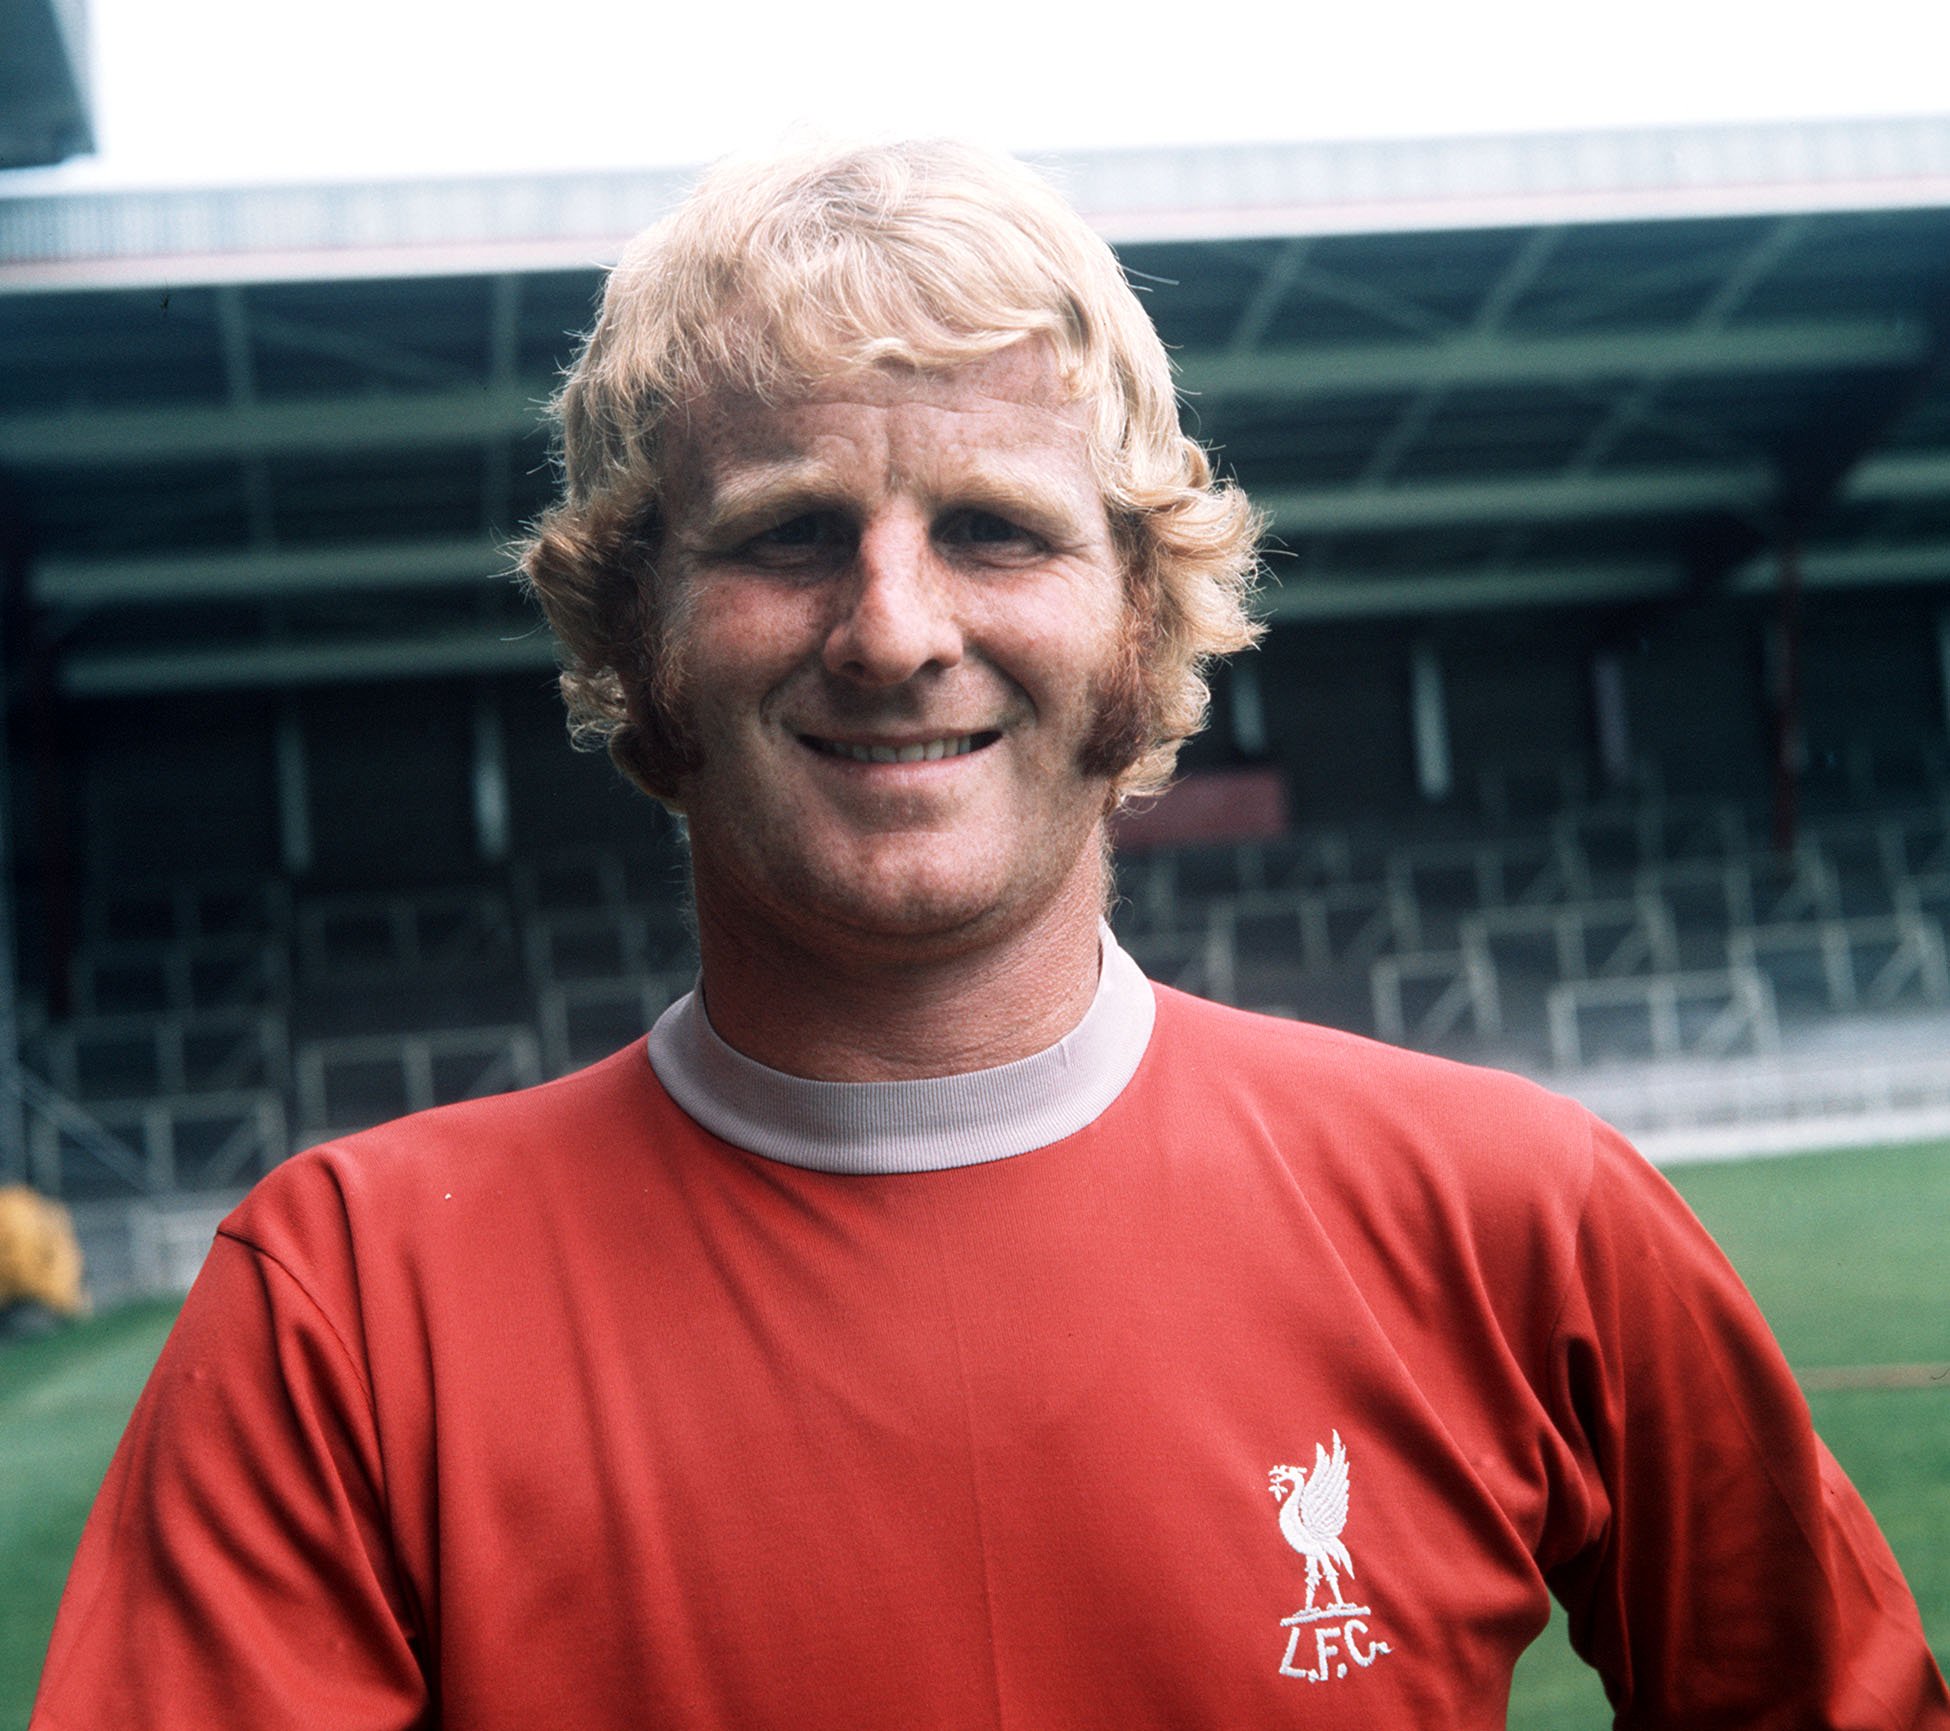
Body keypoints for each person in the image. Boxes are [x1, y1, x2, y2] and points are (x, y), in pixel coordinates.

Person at [32, 139, 1948, 1730]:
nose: (892, 629)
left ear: (1139, 621)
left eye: (995, 530)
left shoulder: (1523, 1215)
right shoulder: (345, 1310)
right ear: (633, 637)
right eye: (786, 532)